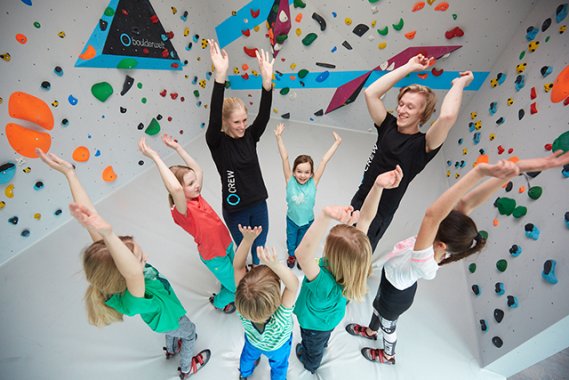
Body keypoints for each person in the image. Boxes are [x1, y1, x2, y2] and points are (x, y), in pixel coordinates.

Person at [345, 150, 569, 365]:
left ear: (440, 244)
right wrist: (515, 170)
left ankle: (388, 355)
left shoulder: (424, 260)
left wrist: (479, 172)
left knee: (389, 323)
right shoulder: (439, 242)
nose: (441, 217)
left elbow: (432, 215)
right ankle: (371, 330)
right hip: (390, 281)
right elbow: (466, 203)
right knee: (377, 307)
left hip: (396, 294)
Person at [37, 148, 210, 379]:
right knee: (189, 333)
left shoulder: (111, 273)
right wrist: (108, 234)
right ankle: (187, 368)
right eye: (140, 259)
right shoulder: (132, 294)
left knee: (172, 332)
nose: (145, 258)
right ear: (127, 270)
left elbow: (91, 219)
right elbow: (132, 273)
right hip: (171, 318)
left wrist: (71, 174)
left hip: (163, 320)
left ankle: (171, 349)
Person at [351, 53, 474, 252]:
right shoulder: (387, 125)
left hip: (378, 213)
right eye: (401, 104)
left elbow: (448, 117)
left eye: (410, 107)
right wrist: (408, 67)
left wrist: (459, 84)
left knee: (355, 256)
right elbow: (370, 93)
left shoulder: (422, 146)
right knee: (341, 245)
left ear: (422, 115)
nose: (402, 110)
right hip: (360, 197)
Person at [293, 166, 404, 373]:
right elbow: (366, 219)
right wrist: (378, 186)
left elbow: (302, 255)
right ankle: (321, 345)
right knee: (322, 339)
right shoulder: (355, 269)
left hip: (313, 325)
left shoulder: (324, 282)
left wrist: (325, 216)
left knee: (313, 348)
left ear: (332, 255)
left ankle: (311, 362)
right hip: (331, 319)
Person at [138, 134, 236, 314]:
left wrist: (178, 148)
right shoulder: (182, 210)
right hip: (214, 255)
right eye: (191, 184)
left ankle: (226, 287)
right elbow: (174, 188)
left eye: (195, 182)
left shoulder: (196, 195)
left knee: (235, 273)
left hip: (226, 244)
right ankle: (219, 303)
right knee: (237, 288)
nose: (197, 185)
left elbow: (199, 170)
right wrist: (156, 157)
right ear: (180, 190)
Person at [206, 38, 274, 266]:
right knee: (243, 253)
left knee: (259, 253)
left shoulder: (250, 137)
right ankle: (245, 283)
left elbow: (263, 115)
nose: (242, 125)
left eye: (244, 120)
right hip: (236, 212)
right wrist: (220, 77)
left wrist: (267, 83)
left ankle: (258, 277)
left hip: (259, 206)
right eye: (236, 121)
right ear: (225, 122)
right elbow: (214, 113)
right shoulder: (217, 142)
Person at [233, 225, 299, 380]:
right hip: (278, 347)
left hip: (253, 342)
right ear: (277, 299)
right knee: (279, 366)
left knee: (248, 357)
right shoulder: (280, 318)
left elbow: (238, 267)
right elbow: (293, 285)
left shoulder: (241, 307)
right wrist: (275, 265)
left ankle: (244, 374)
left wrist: (247, 240)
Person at [274, 122, 342, 268]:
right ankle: (292, 256)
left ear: (311, 174)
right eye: (299, 171)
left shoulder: (313, 183)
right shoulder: (290, 181)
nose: (302, 175)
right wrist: (279, 137)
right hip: (292, 220)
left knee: (304, 242)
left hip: (307, 221)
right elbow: (285, 158)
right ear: (293, 172)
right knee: (291, 241)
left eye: (306, 172)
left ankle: (301, 257)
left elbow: (324, 161)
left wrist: (336, 143)